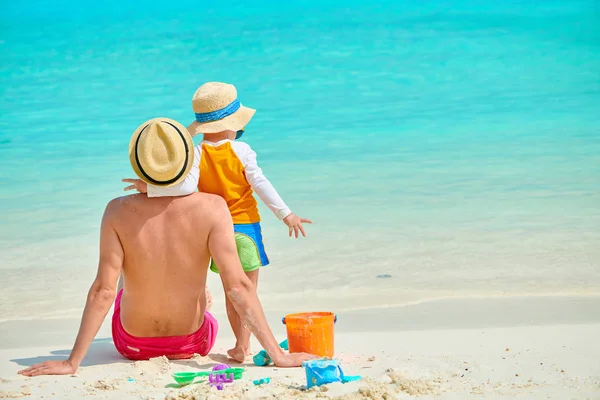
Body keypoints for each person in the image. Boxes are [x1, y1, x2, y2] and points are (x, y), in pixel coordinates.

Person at [18, 118, 315, 377]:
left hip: (131, 344)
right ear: (187, 159)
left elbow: (103, 292)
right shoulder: (213, 208)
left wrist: (73, 362)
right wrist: (279, 355)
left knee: (122, 275)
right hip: (193, 342)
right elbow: (238, 288)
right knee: (205, 294)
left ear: (139, 162)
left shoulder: (115, 210)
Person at [122, 82, 312, 362]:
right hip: (245, 227)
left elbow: (184, 188)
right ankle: (244, 346)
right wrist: (286, 214)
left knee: (229, 292)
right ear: (231, 125)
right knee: (247, 291)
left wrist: (149, 189)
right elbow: (260, 183)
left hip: (213, 232)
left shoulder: (196, 153)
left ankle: (239, 344)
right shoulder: (242, 151)